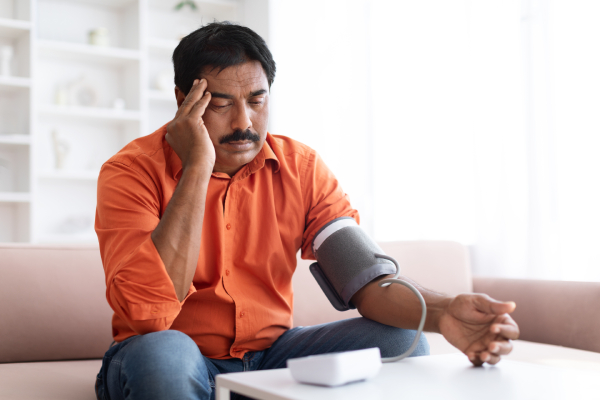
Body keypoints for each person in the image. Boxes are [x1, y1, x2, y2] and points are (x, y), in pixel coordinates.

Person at [94, 22, 519, 400]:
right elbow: (149, 318)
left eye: (257, 101)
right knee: (165, 354)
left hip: (272, 356)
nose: (245, 122)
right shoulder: (130, 172)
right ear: (183, 100)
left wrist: (445, 314)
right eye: (221, 105)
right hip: (166, 352)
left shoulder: (301, 167)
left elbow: (364, 280)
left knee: (399, 339)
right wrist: (197, 169)